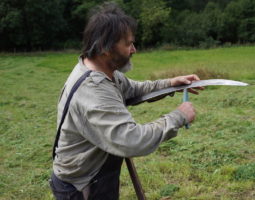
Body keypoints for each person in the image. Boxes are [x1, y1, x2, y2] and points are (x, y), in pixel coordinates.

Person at [49, 2, 201, 200]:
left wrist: (171, 83)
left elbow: (134, 90)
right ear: (104, 48)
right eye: (128, 44)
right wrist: (178, 116)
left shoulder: (104, 71)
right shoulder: (94, 91)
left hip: (96, 174)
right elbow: (131, 140)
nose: (134, 49)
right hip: (82, 185)